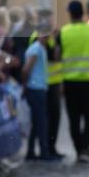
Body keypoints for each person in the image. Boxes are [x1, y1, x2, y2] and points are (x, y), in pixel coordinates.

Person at [59, 0, 89, 163]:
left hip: (70, 81)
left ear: (70, 13)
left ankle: (79, 150)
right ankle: (86, 148)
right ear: (83, 13)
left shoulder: (63, 32)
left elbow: (57, 55)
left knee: (74, 118)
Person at [22, 21, 62, 163]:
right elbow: (27, 69)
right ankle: (44, 152)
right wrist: (25, 86)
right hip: (36, 88)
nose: (48, 37)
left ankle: (31, 151)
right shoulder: (36, 49)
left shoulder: (41, 48)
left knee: (36, 121)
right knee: (41, 122)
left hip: (40, 87)